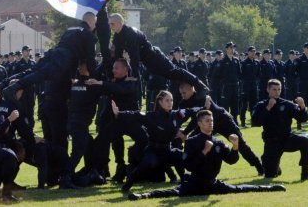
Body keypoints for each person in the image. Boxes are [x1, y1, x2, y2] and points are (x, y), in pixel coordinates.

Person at [127, 110, 285, 201]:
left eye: (212, 120)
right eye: (207, 121)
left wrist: (235, 147)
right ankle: (143, 195)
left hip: (212, 183)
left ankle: (269, 187)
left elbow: (231, 160)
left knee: (239, 188)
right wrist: (203, 153)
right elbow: (188, 165)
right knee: (173, 192)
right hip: (195, 182)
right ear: (200, 124)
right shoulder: (192, 142)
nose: (211, 123)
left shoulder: (217, 142)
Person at [2, 12, 98, 152]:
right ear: (92, 22)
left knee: (35, 71)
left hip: (54, 54)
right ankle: (15, 86)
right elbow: (90, 58)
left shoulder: (70, 30)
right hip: (64, 61)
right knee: (42, 74)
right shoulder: (89, 34)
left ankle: (8, 84)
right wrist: (93, 76)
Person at [109, 13, 208, 101]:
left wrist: (133, 76)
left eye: (112, 24)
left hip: (154, 57)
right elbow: (118, 56)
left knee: (174, 72)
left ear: (120, 22)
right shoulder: (118, 36)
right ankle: (194, 90)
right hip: (147, 61)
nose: (110, 26)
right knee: (172, 76)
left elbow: (134, 57)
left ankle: (200, 86)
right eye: (110, 24)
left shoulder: (130, 33)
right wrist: (116, 75)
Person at [178, 82, 264, 176]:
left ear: (192, 89)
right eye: (181, 93)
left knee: (240, 144)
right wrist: (178, 131)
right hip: (207, 124)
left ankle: (260, 167)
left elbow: (196, 119)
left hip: (223, 121)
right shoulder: (183, 103)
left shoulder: (201, 96)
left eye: (184, 93)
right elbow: (181, 118)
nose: (183, 95)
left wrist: (185, 132)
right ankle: (188, 172)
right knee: (191, 142)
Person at [116, 91, 192, 192]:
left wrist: (206, 106)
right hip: (153, 150)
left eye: (171, 100)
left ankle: (183, 183)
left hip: (167, 150)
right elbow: (135, 115)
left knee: (178, 155)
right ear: (160, 102)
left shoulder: (176, 115)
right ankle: (126, 186)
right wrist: (119, 113)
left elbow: (192, 111)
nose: (170, 103)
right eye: (167, 100)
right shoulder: (152, 116)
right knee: (147, 163)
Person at [252, 79, 308, 181]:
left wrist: (302, 107)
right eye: (274, 89)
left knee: (305, 141)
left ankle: (305, 173)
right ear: (268, 90)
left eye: (279, 89)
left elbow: (303, 119)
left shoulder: (287, 104)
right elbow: (256, 122)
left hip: (286, 139)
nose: (277, 92)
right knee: (270, 175)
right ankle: (272, 164)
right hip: (272, 142)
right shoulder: (261, 105)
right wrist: (268, 107)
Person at [87, 0, 123, 65]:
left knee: (105, 46)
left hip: (102, 15)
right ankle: (89, 71)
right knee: (89, 44)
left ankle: (108, 71)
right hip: (90, 15)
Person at [293, 42, 308, 130]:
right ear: (304, 49)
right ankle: (299, 124)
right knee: (300, 104)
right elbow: (294, 72)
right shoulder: (299, 59)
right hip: (302, 84)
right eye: (307, 48)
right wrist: (299, 80)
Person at [219, 42, 242, 124]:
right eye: (231, 48)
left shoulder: (236, 60)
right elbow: (219, 75)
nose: (232, 49)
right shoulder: (223, 61)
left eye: (233, 48)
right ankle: (226, 121)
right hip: (226, 86)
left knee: (235, 104)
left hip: (235, 86)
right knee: (226, 104)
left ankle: (234, 120)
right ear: (227, 49)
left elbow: (240, 73)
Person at [240, 46, 260, 127]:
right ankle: (243, 122)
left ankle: (253, 121)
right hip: (246, 86)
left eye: (254, 51)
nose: (253, 53)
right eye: (251, 51)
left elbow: (259, 74)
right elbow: (241, 75)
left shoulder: (257, 63)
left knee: (254, 105)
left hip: (254, 86)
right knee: (244, 105)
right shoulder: (244, 63)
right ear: (248, 52)